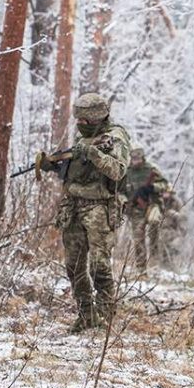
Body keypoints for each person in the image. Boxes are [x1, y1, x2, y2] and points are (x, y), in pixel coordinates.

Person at [42, 93, 131, 333]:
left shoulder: (115, 137)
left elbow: (118, 170)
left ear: (98, 118)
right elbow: (77, 170)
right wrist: (54, 165)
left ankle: (104, 317)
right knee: (73, 264)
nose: (80, 125)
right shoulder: (85, 138)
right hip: (73, 206)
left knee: (99, 264)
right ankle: (87, 315)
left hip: (99, 207)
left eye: (86, 121)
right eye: (78, 121)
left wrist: (95, 155)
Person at [125, 146, 170, 272]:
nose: (136, 161)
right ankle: (141, 269)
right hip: (135, 210)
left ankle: (154, 262)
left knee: (154, 225)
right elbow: (120, 189)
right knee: (138, 240)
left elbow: (165, 185)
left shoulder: (151, 169)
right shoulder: (127, 172)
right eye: (133, 158)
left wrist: (152, 188)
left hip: (152, 205)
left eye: (138, 158)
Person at [159, 189, 187, 261]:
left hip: (173, 232)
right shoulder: (158, 202)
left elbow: (183, 217)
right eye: (164, 192)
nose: (165, 194)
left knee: (173, 249)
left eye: (167, 192)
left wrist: (174, 214)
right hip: (159, 231)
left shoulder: (177, 202)